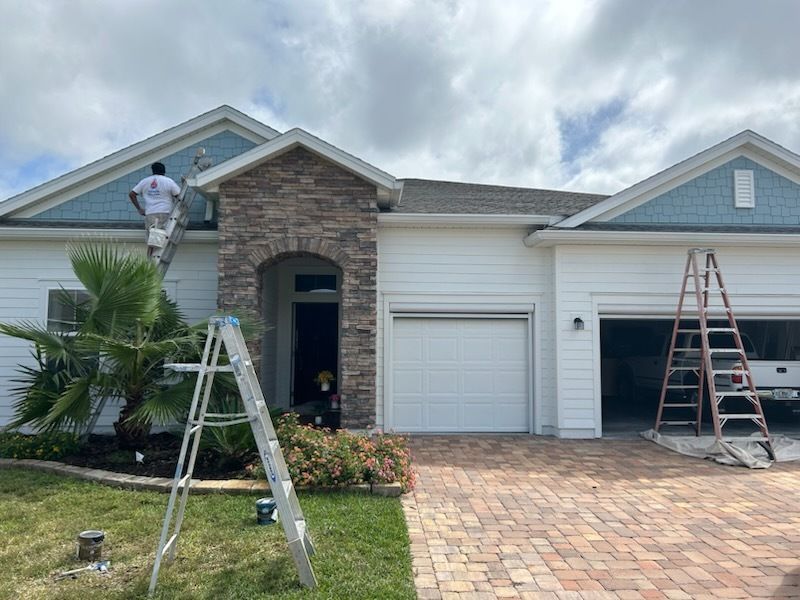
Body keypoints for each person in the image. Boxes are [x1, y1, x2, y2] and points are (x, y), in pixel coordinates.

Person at [129, 162, 181, 253]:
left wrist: (139, 209)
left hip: (150, 214)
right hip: (165, 213)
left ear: (153, 171)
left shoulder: (145, 181)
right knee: (163, 238)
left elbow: (132, 194)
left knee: (152, 240)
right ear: (164, 171)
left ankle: (150, 261)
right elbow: (179, 196)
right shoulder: (168, 181)